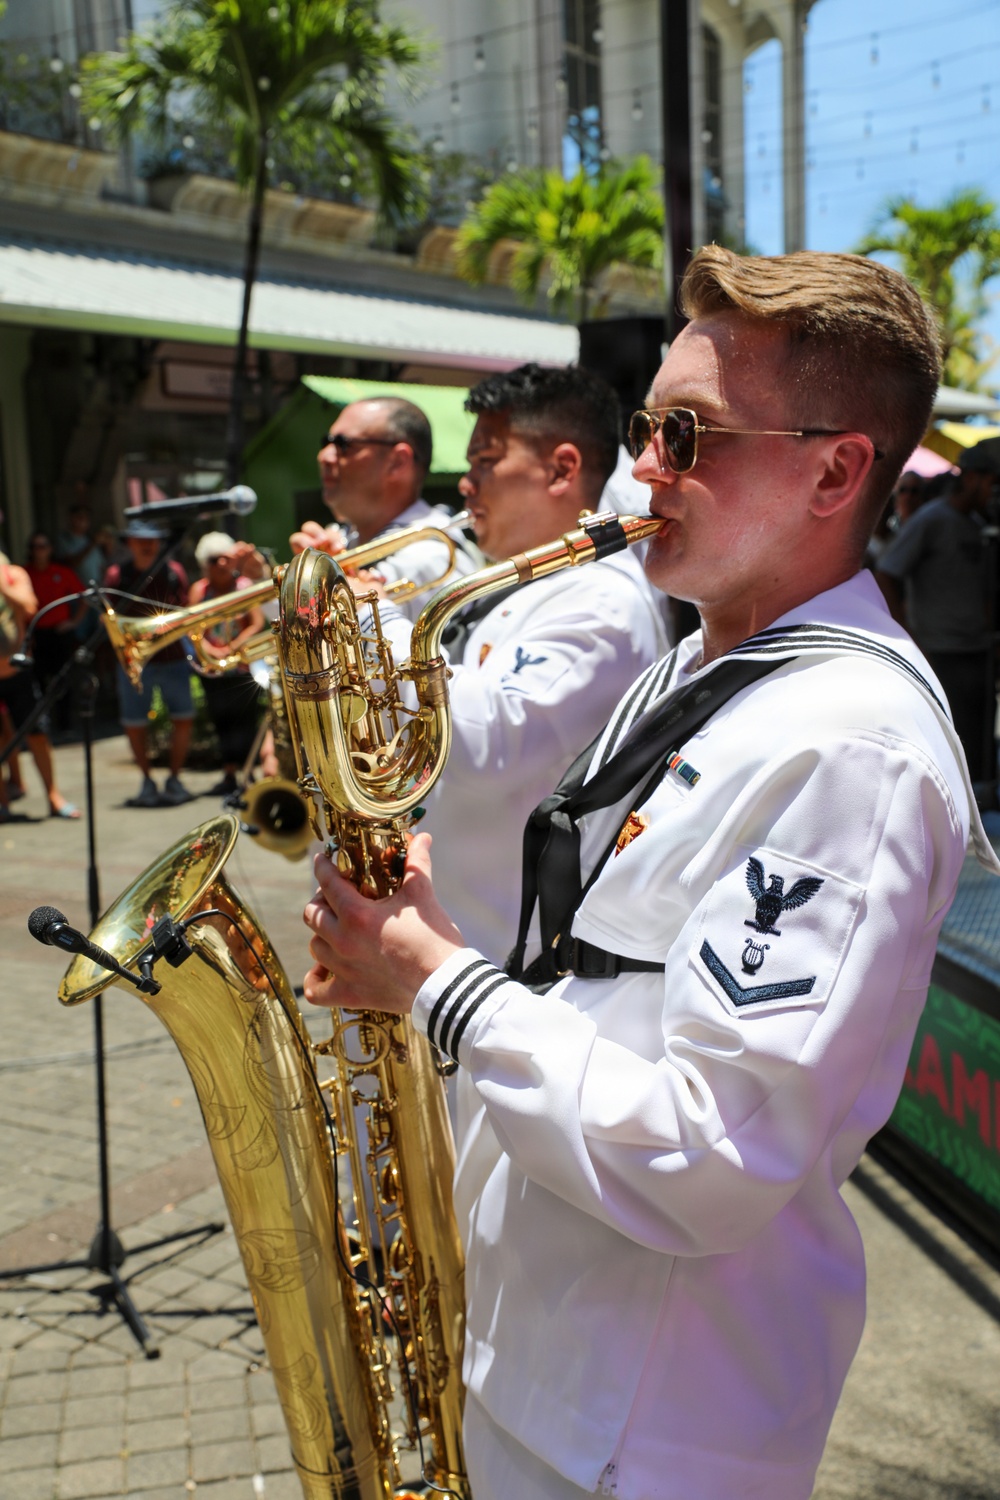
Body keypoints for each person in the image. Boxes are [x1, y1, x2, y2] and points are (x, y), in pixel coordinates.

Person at [301, 247, 998, 1500]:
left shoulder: (851, 745)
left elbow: (709, 1154)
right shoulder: (707, 662)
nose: (642, 473)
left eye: (688, 436)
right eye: (644, 430)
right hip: (554, 1359)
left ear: (835, 471)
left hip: (640, 1423)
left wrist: (438, 983)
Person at [364, 364, 667, 963]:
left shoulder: (601, 601)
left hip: (502, 962)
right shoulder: (527, 587)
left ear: (561, 470)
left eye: (486, 461)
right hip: (449, 946)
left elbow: (485, 745)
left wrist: (371, 623)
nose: (466, 483)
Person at [877, 440, 1000, 801]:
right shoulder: (932, 520)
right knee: (947, 744)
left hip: (976, 649)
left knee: (978, 741)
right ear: (973, 478)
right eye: (993, 483)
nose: (995, 493)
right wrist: (906, 636)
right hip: (939, 652)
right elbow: (887, 572)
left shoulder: (977, 525)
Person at [291, 395, 480, 619]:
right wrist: (275, 577)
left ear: (398, 461)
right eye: (326, 443)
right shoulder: (345, 537)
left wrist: (327, 581)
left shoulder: (430, 558)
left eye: (343, 444)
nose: (324, 456)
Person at [103, 520, 195, 808]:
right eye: (140, 540)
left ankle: (174, 778)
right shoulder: (117, 575)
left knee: (184, 716)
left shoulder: (174, 571)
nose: (147, 545)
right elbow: (109, 619)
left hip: (172, 657)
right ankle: (146, 780)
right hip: (135, 661)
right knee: (134, 722)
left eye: (152, 540)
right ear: (129, 543)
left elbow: (185, 611)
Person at [0, 548, 79, 820]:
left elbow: (30, 606)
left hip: (18, 673)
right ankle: (2, 803)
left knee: (37, 733)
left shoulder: (14, 574)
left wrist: (2, 585)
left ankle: (54, 797)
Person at [188, 531, 265, 796]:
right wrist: (209, 649)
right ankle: (230, 772)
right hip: (213, 668)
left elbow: (256, 622)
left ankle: (248, 771)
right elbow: (192, 627)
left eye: (224, 558)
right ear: (204, 564)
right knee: (221, 720)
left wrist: (231, 648)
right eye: (213, 560)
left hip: (241, 666)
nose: (220, 564)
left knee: (246, 719)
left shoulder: (244, 586)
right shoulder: (199, 590)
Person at [24, 533, 87, 733]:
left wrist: (73, 622)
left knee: (63, 678)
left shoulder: (62, 572)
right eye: (36, 546)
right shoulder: (24, 574)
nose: (40, 551)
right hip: (36, 636)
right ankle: (42, 725)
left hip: (60, 634)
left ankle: (64, 724)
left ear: (50, 549)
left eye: (43, 546)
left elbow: (84, 598)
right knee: (37, 680)